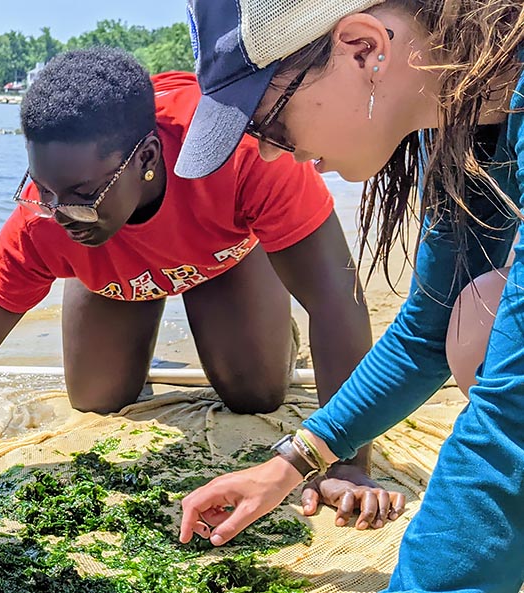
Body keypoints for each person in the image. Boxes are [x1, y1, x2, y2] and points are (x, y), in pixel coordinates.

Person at [0, 48, 402, 523]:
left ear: (147, 158)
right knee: (97, 402)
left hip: (222, 256)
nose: (57, 213)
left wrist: (348, 461)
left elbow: (335, 301)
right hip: (114, 272)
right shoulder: (49, 216)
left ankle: (271, 335)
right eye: (44, 189)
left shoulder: (246, 151)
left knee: (257, 396)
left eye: (79, 194)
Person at [175, 1, 524, 591]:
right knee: (468, 319)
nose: (262, 153)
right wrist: (289, 465)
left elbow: (513, 407)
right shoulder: (465, 114)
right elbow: (425, 335)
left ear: (363, 48)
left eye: (269, 124)